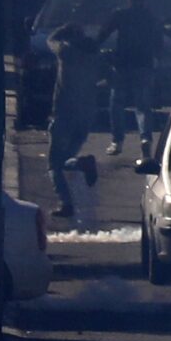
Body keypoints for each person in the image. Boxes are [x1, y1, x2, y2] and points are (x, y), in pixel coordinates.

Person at [47, 23, 105, 219]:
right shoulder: (94, 56)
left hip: (64, 113)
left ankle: (66, 203)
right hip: (86, 114)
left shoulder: (66, 52)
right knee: (66, 158)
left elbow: (50, 40)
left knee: (54, 163)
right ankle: (80, 163)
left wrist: (64, 29)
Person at [101, 0, 163, 157]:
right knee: (143, 106)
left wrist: (95, 47)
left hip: (122, 65)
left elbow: (104, 32)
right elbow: (159, 42)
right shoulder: (150, 17)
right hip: (144, 65)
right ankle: (145, 139)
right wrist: (156, 58)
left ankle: (117, 141)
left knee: (117, 103)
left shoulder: (121, 15)